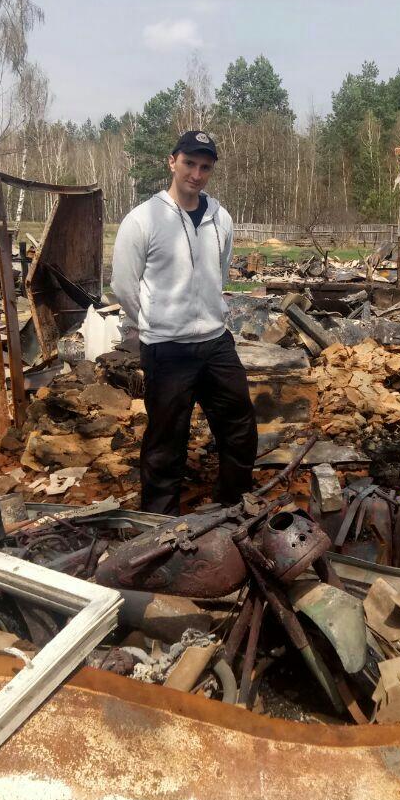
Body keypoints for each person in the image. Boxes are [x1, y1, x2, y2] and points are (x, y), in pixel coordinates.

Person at [110, 130, 258, 516]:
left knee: (239, 425)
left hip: (215, 342)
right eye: (189, 163)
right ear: (172, 161)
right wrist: (153, 324)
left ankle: (234, 504)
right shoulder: (143, 220)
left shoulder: (219, 218)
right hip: (167, 349)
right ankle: (159, 521)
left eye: (205, 167)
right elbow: (123, 285)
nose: (196, 173)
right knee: (166, 438)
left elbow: (219, 271)